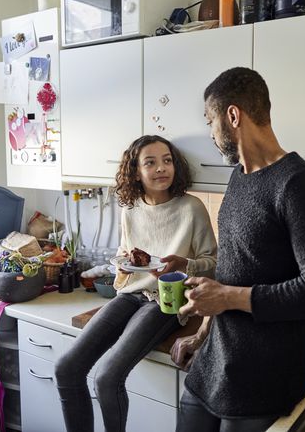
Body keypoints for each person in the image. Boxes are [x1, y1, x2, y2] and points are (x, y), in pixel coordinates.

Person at [170, 67, 305, 432]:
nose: (210, 133)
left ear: (232, 116)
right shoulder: (239, 177)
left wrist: (228, 298)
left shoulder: (297, 184)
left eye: (210, 121)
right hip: (214, 364)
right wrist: (202, 332)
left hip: (263, 377)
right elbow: (235, 269)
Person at [54, 135, 217, 432]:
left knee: (107, 376)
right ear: (136, 171)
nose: (161, 169)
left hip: (167, 301)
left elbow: (213, 261)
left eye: (167, 160)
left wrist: (184, 263)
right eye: (150, 162)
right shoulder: (129, 208)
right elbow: (122, 255)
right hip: (130, 295)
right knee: (66, 369)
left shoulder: (191, 208)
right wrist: (125, 260)